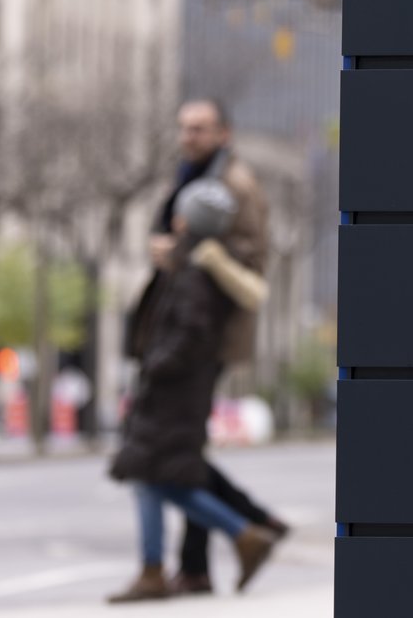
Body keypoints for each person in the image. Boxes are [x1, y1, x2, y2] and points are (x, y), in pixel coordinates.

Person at [108, 179, 277, 604]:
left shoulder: (194, 275)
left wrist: (156, 368)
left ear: (184, 221)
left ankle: (241, 536)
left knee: (153, 475)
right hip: (177, 393)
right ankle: (158, 567)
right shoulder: (194, 268)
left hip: (172, 395)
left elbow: (187, 335)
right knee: (152, 477)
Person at [147, 98, 289, 596]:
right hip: (183, 330)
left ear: (224, 133)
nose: (189, 135)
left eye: (201, 128)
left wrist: (184, 250)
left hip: (207, 335)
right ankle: (211, 554)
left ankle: (241, 531)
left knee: (169, 455)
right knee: (183, 452)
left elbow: (252, 257)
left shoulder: (235, 184)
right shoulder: (189, 175)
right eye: (185, 126)